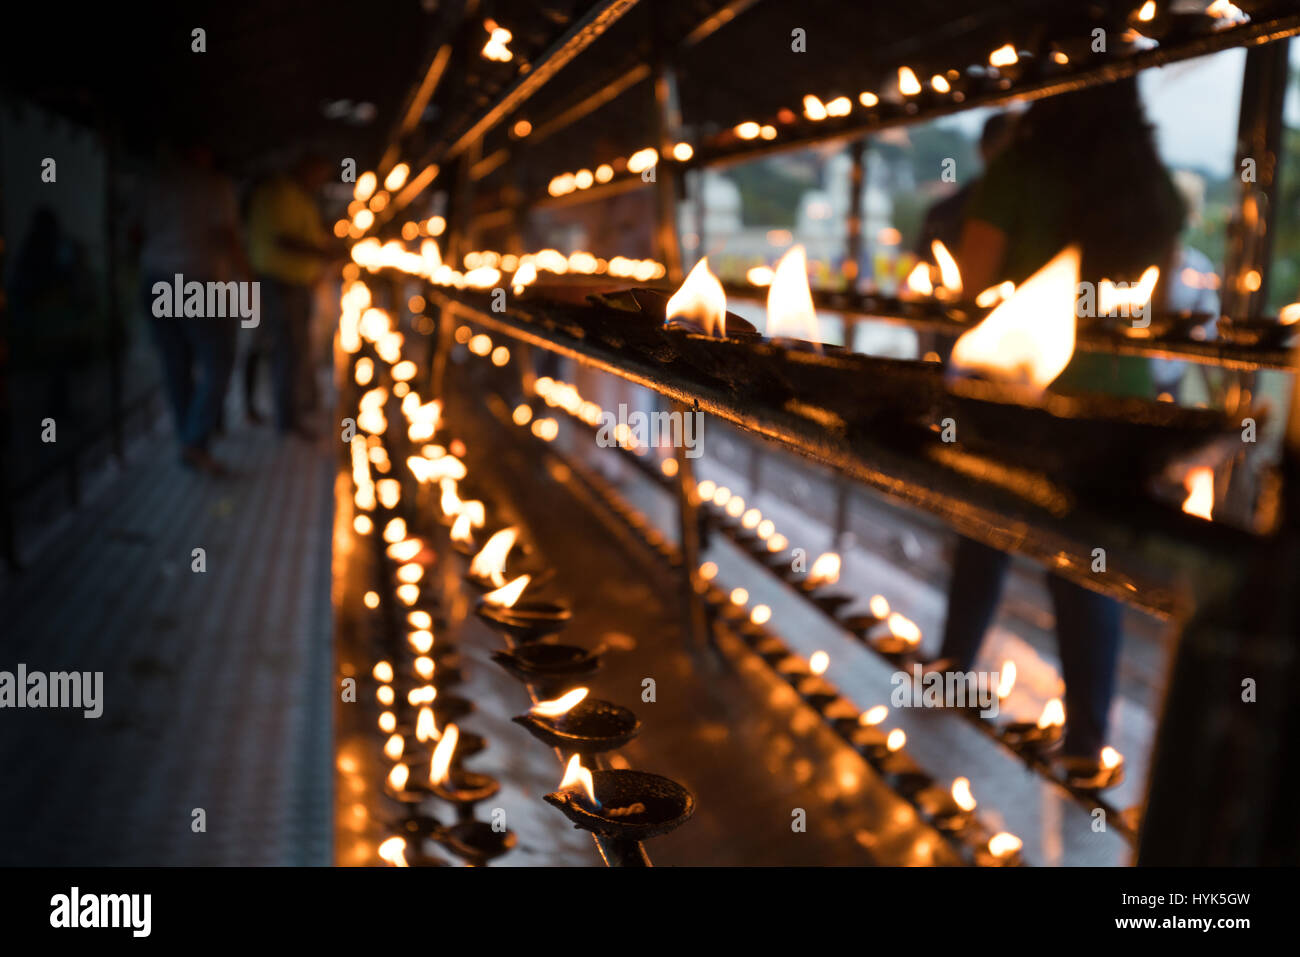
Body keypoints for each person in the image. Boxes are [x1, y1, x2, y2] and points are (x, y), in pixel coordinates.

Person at [933, 78, 1186, 782]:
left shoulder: (1021, 170)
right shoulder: (1152, 182)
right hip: (1115, 407)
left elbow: (972, 284)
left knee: (985, 533)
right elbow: (1154, 302)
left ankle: (952, 670)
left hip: (1021, 399)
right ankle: (1083, 745)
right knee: (1086, 571)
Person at [136, 140, 247, 474]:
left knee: (176, 364)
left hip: (156, 277)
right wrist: (247, 278)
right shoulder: (213, 186)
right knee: (218, 362)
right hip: (199, 279)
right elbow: (225, 235)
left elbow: (133, 232)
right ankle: (195, 440)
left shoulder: (154, 182)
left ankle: (189, 438)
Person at [246, 154, 333, 438]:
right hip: (280, 282)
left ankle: (295, 409)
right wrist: (325, 253)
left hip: (295, 283)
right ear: (304, 167)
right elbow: (282, 239)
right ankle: (287, 419)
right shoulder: (280, 193)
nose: (321, 180)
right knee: (287, 348)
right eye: (319, 173)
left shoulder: (299, 196)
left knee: (294, 347)